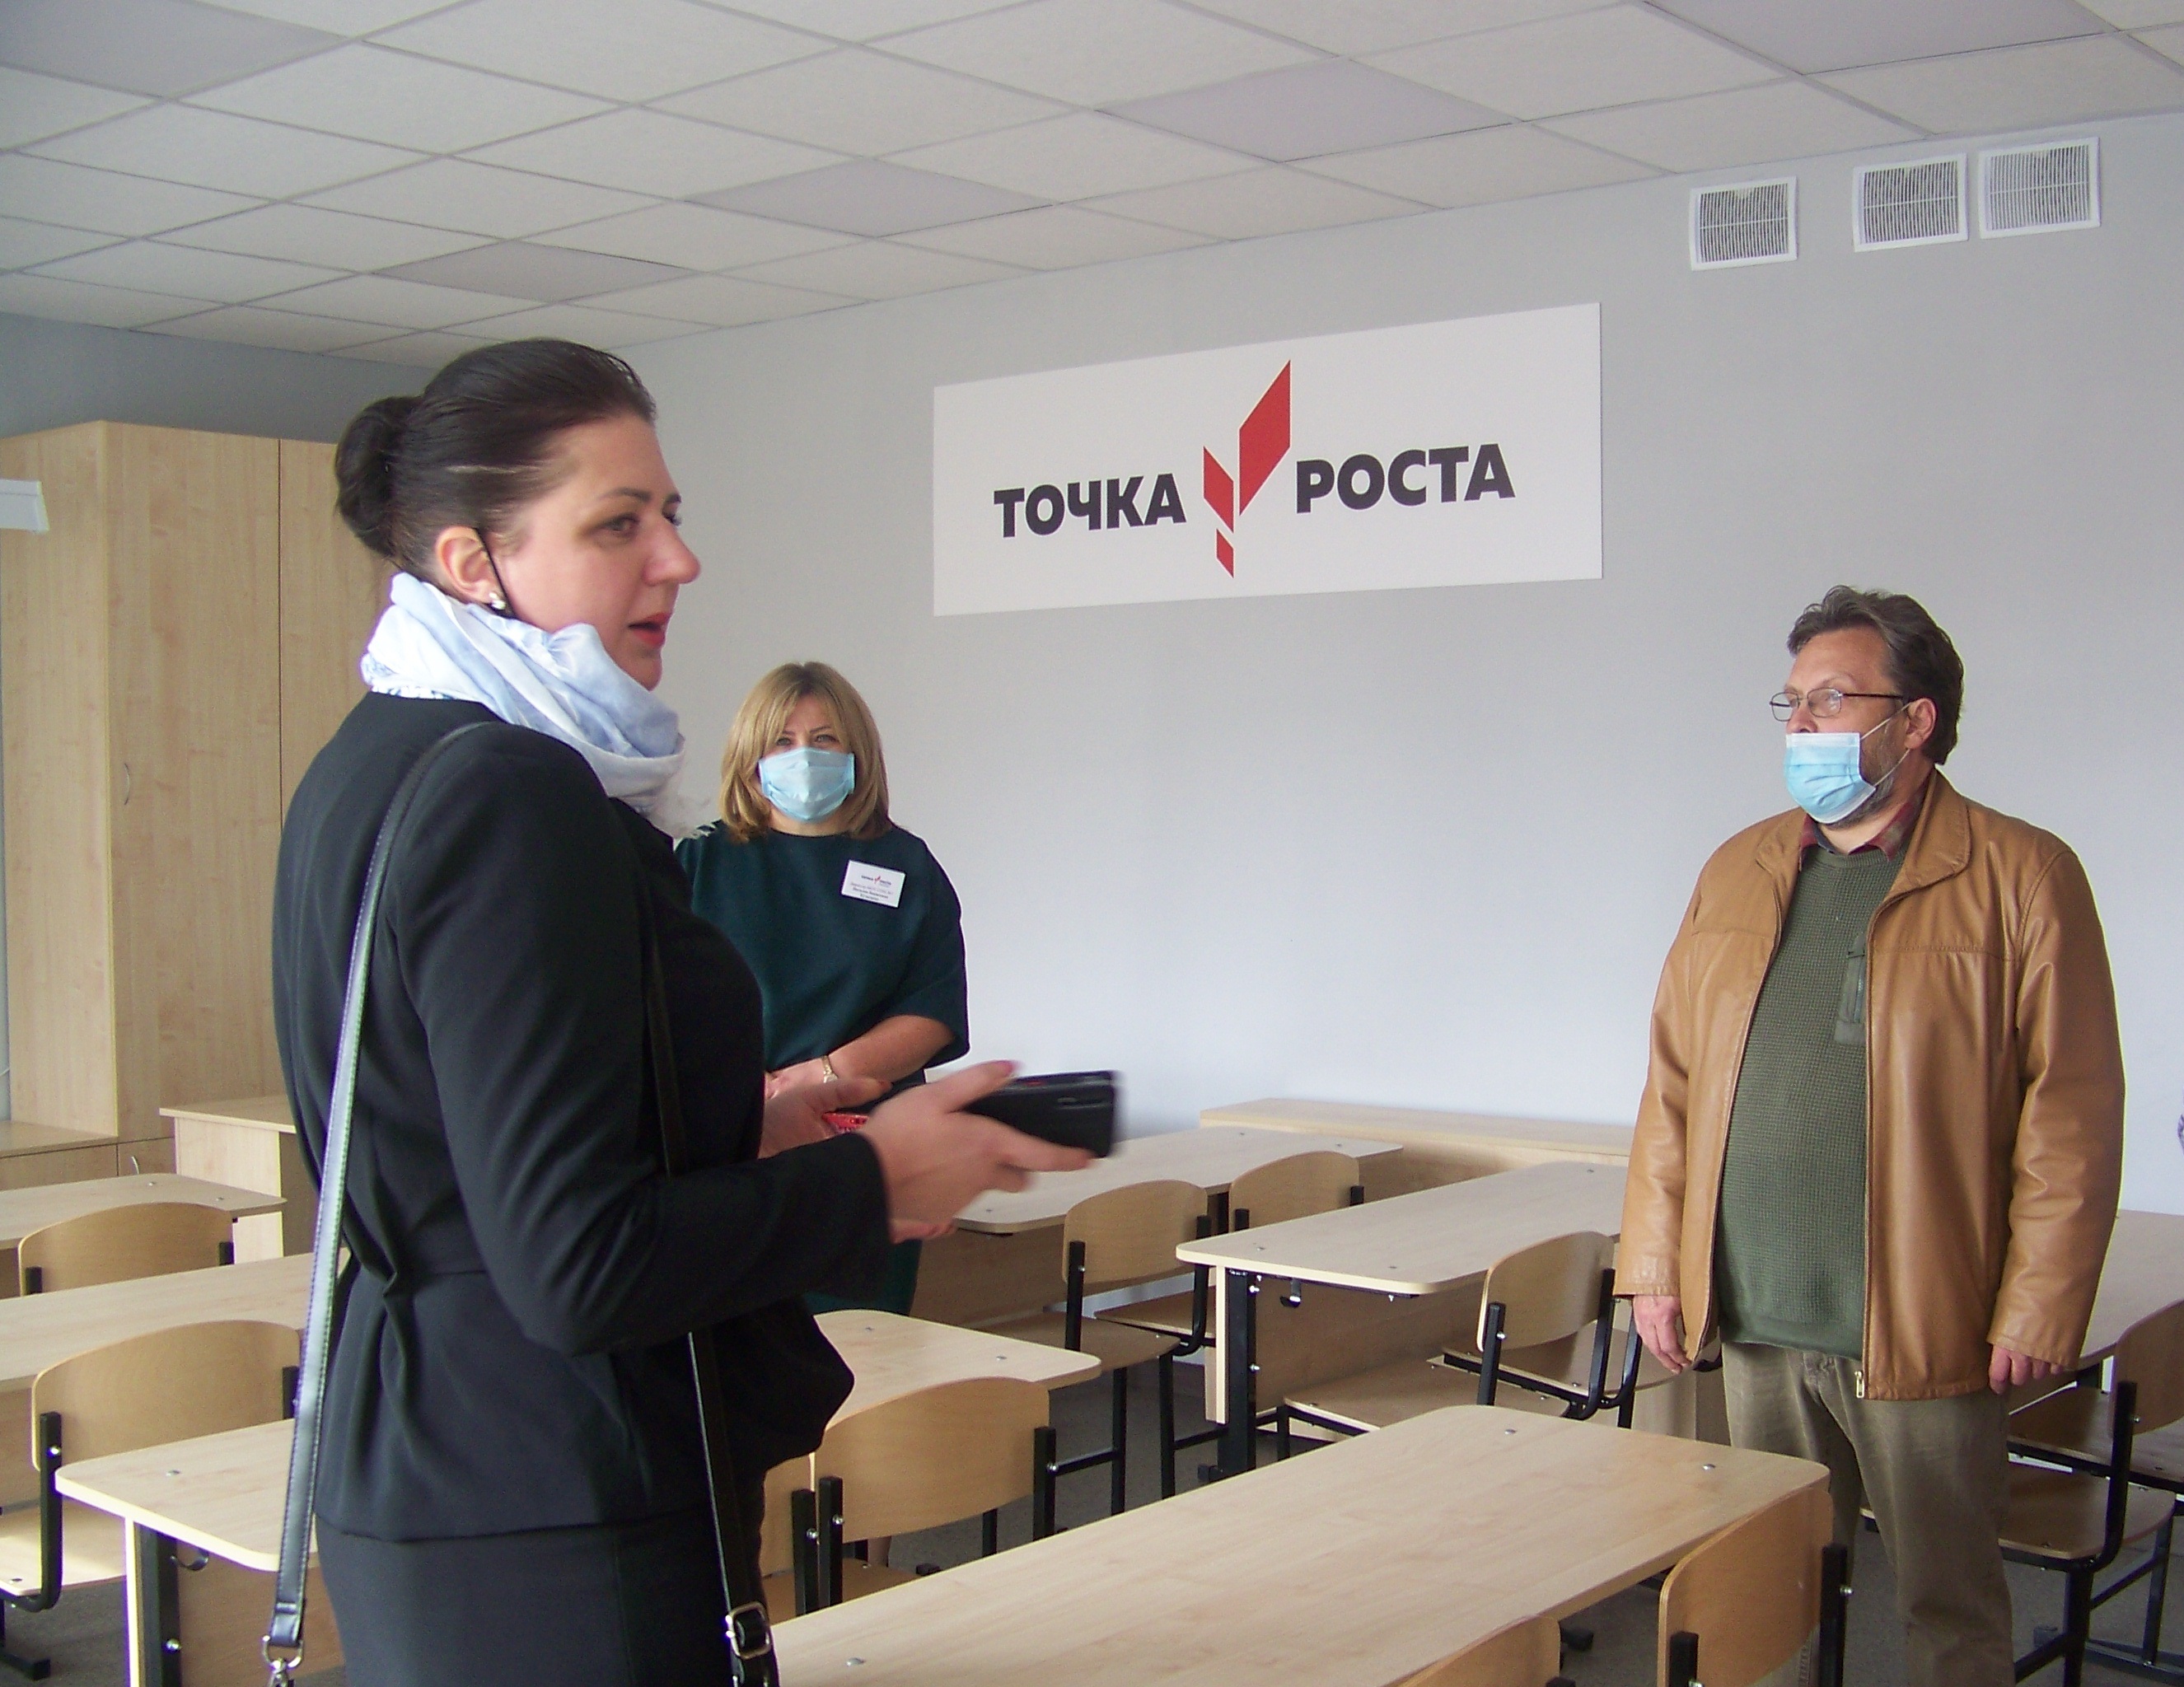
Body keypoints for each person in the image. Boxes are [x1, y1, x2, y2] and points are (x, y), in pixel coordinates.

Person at [274, 339, 1085, 1685]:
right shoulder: (512, 793)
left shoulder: (379, 757)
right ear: (474, 563)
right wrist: (874, 1177)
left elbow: (473, 1147)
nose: (678, 560)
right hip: (555, 1492)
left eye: (670, 515)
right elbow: (575, 1264)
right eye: (618, 525)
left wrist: (742, 1122)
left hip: (443, 1457)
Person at [1618, 586, 2123, 1687]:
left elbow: (2070, 1114)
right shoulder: (1736, 869)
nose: (1799, 723)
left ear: (1913, 720)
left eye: (1829, 698)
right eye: (1790, 700)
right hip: (1751, 1313)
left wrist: (2039, 1303)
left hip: (1922, 1326)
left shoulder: (2019, 875)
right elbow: (1671, 1086)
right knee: (1767, 1594)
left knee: (1946, 1602)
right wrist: (1652, 1264)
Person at [678, 662, 968, 1316]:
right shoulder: (700, 862)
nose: (803, 756)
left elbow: (931, 1011)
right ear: (750, 755)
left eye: (825, 739)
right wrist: (750, 1092)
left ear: (856, 750)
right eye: (781, 741)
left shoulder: (905, 865)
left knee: (864, 1342)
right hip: (734, 1146)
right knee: (741, 1336)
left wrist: (823, 1075)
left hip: (864, 1148)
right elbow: (662, 1004)